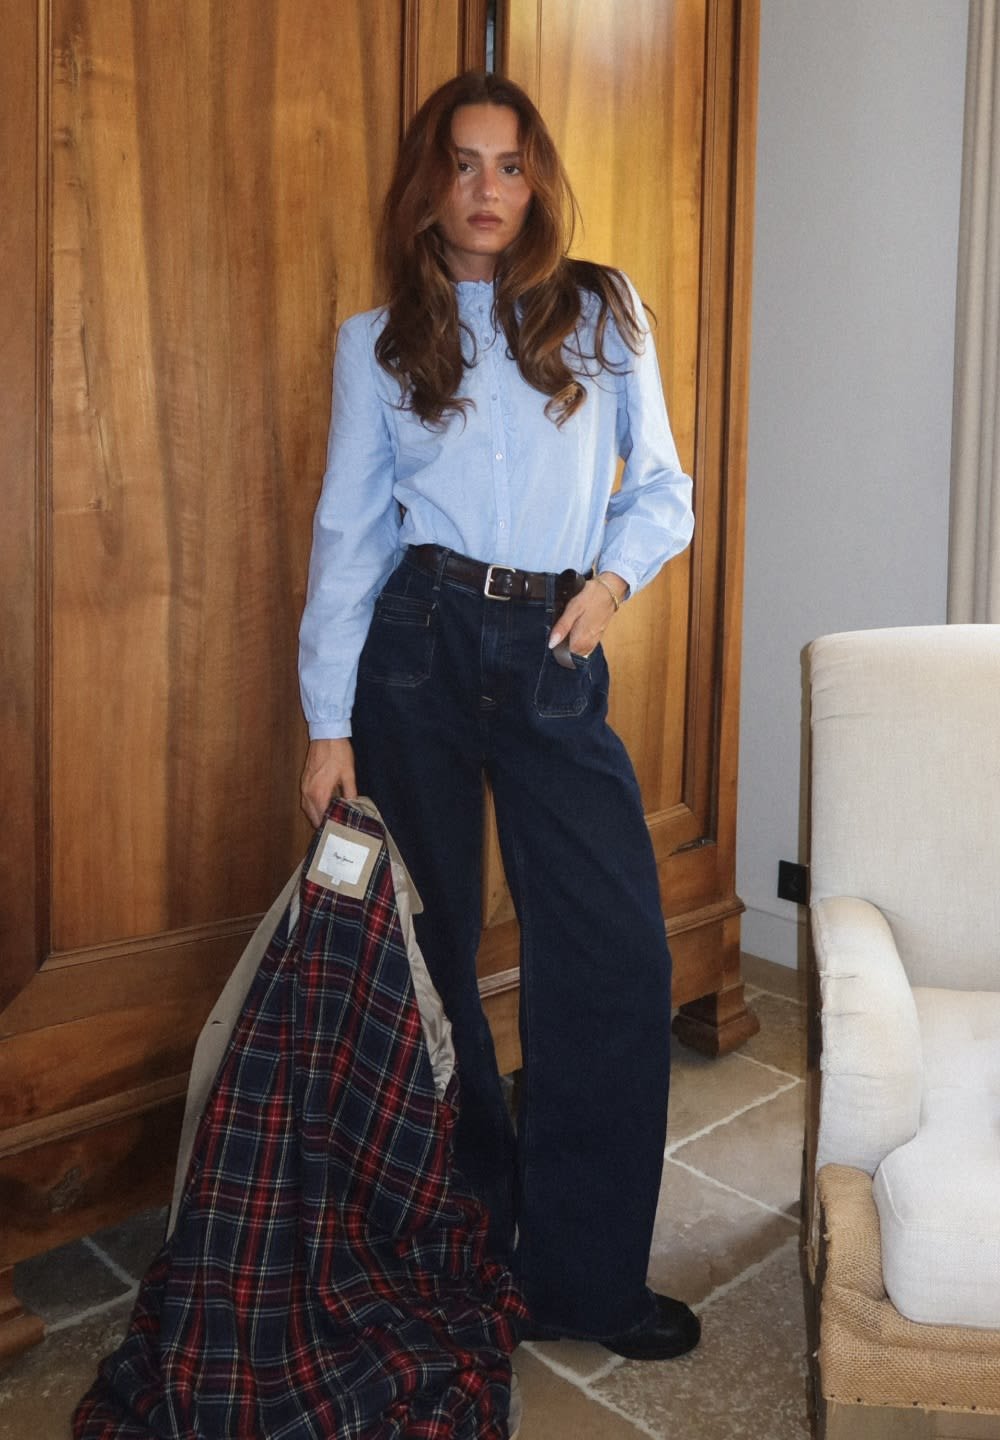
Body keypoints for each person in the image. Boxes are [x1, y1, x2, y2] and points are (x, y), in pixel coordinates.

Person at [299, 69, 699, 1361]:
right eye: (462, 164)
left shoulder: (601, 308)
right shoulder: (377, 341)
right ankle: (470, 1238)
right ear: (430, 182)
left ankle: (584, 1278)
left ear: (538, 181)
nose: (485, 190)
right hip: (411, 649)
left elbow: (666, 491)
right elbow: (350, 534)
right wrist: (324, 721)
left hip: (548, 647)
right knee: (428, 964)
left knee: (617, 956)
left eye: (509, 164)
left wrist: (610, 581)